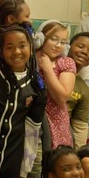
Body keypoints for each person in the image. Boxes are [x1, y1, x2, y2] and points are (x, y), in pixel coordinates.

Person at [0, 25, 47, 178]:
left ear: (31, 47)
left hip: (10, 168)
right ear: (0, 50)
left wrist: (24, 170)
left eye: (22, 46)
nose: (17, 52)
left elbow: (32, 131)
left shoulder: (37, 84)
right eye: (9, 47)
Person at [34, 21, 76, 149]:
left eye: (63, 42)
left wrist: (47, 68)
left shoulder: (66, 62)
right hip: (31, 121)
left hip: (56, 122)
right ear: (41, 38)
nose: (58, 45)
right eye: (54, 39)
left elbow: (62, 97)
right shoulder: (29, 59)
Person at [66, 33, 89, 148]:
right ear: (69, 46)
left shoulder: (83, 88)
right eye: (80, 46)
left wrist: (79, 154)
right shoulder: (50, 69)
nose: (84, 52)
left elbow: (80, 127)